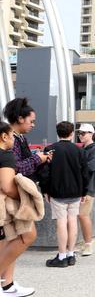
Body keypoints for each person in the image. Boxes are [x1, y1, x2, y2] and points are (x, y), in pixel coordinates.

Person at [1, 99, 47, 293]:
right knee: (17, 239)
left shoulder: (18, 139)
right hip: (12, 198)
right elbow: (14, 171)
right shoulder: (10, 144)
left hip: (13, 198)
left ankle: (8, 284)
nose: (33, 124)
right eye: (31, 120)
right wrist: (38, 159)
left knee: (12, 240)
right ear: (20, 119)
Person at [40, 121, 89, 268]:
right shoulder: (80, 151)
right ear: (72, 133)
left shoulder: (50, 149)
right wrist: (84, 192)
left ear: (57, 133)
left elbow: (45, 173)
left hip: (57, 192)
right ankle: (71, 254)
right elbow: (85, 174)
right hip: (75, 192)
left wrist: (45, 190)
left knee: (61, 222)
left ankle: (61, 256)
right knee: (72, 221)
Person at [0, 122, 36, 296]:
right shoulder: (6, 155)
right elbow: (7, 186)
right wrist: (24, 197)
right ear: (4, 136)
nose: (14, 139)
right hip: (5, 208)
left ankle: (7, 285)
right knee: (27, 235)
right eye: (11, 135)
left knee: (7, 242)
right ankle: (6, 285)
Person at [77, 123, 95, 257]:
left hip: (89, 188)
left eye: (84, 133)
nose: (81, 135)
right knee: (80, 216)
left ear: (91, 134)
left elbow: (91, 167)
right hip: (81, 188)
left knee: (83, 215)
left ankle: (88, 245)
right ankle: (85, 243)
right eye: (79, 133)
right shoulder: (84, 149)